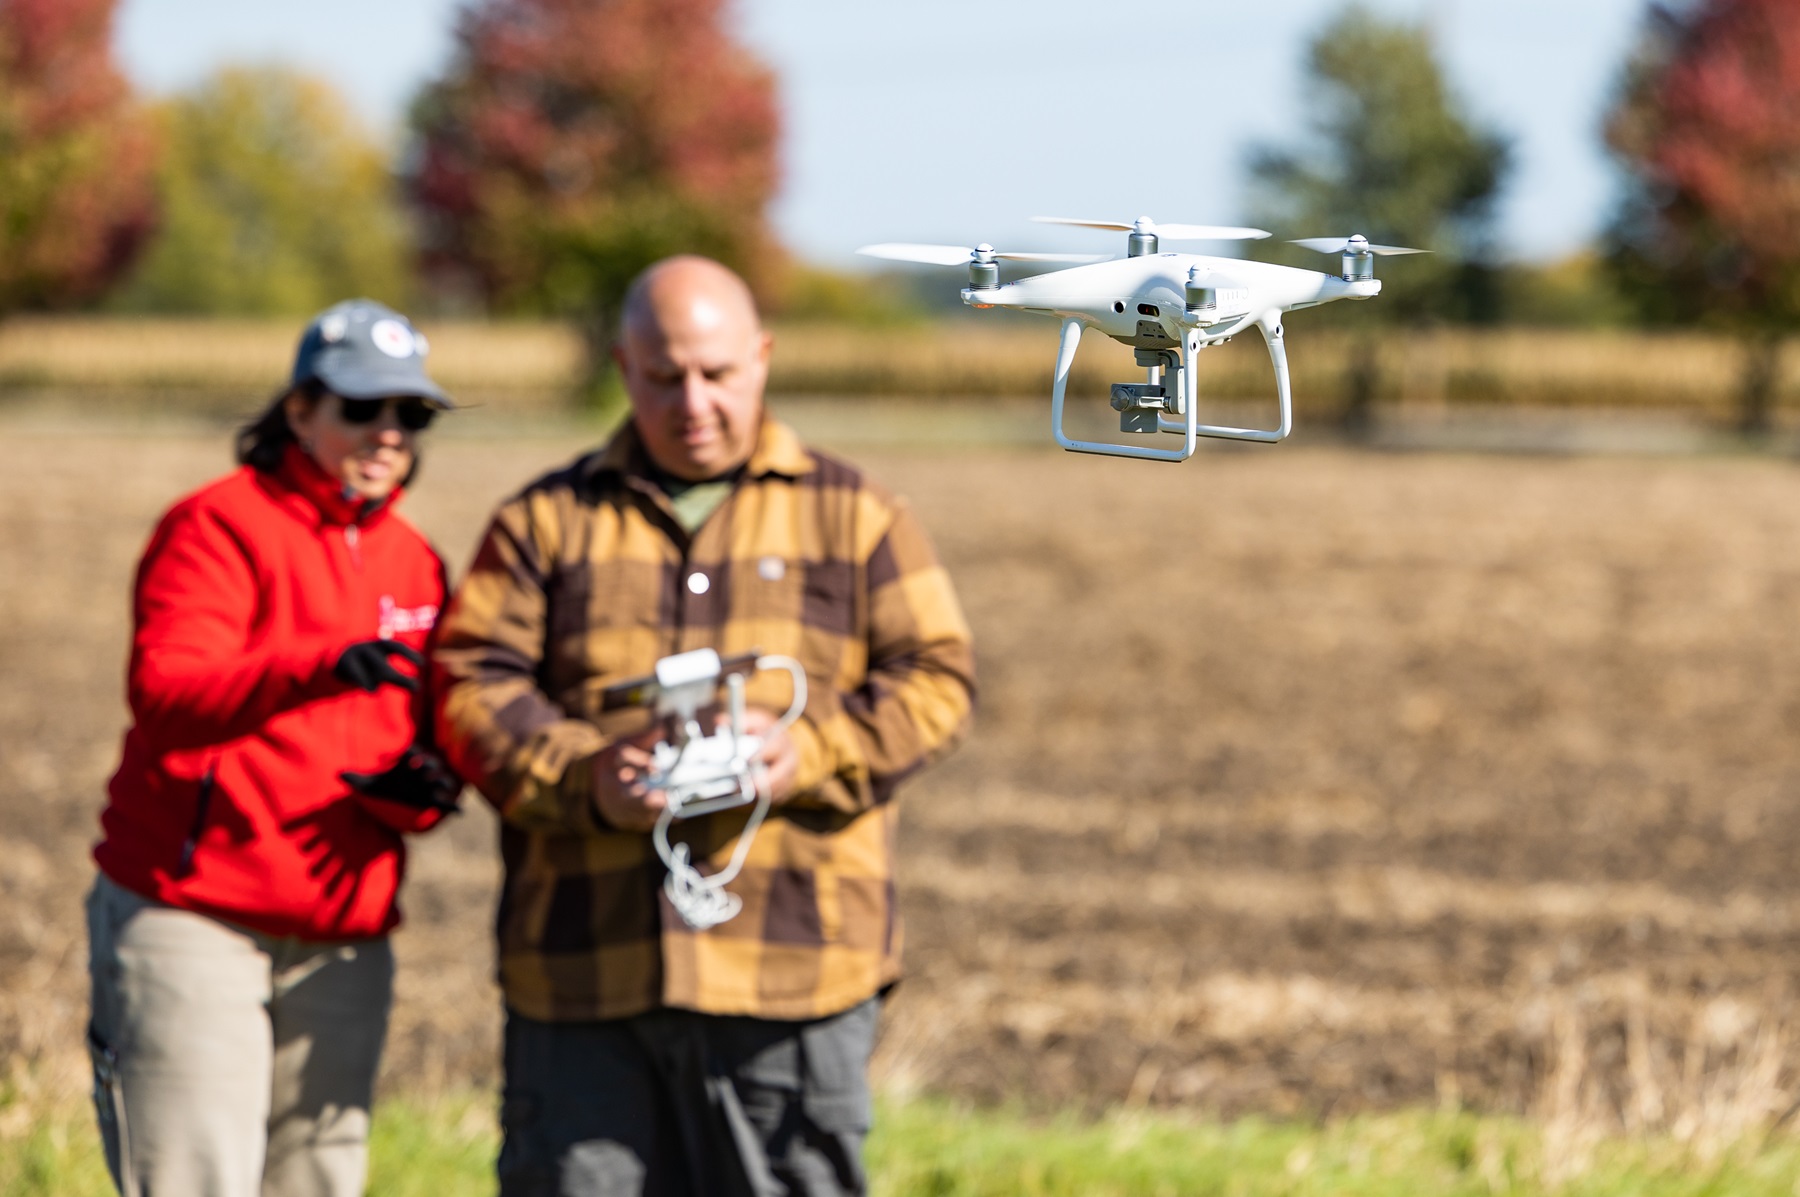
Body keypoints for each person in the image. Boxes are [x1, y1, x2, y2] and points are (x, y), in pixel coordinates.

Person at [434, 256, 976, 1196]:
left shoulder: (858, 517)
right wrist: (587, 776)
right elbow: (468, 684)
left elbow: (938, 679)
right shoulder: (543, 523)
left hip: (793, 975)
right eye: (663, 375)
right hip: (583, 978)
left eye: (718, 373)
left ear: (762, 357)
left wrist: (809, 750)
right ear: (623, 365)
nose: (693, 401)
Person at [87, 299, 464, 1197]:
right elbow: (168, 696)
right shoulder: (217, 527)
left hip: (342, 930)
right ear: (299, 409)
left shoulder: (415, 560)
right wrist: (319, 665)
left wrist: (424, 783)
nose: (388, 433)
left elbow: (414, 729)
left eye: (410, 414)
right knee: (197, 1179)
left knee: (321, 1184)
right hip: (195, 914)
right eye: (362, 409)